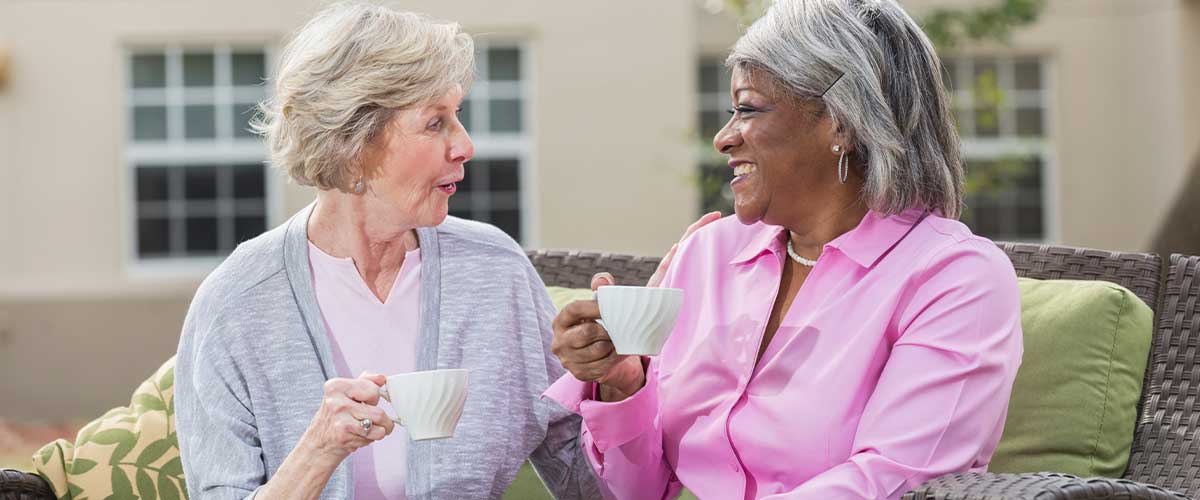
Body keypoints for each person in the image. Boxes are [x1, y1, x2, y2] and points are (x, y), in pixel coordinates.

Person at [545, 0, 1024, 498]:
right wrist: (625, 384)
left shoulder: (955, 278)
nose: (723, 138)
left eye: (748, 108)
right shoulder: (705, 256)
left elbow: (895, 480)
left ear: (841, 121)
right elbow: (634, 492)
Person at [174, 3, 601, 499]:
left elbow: (589, 483)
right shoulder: (238, 301)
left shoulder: (494, 272)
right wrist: (318, 451)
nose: (465, 145)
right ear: (354, 141)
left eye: (457, 116)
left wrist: (616, 384)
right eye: (435, 123)